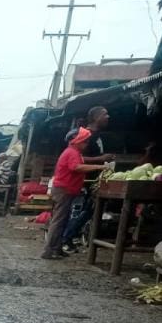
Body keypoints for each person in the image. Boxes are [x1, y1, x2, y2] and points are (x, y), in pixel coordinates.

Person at [43, 128, 106, 260]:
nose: (86, 143)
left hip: (66, 190)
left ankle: (57, 248)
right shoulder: (72, 152)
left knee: (63, 220)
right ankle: (49, 251)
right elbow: (76, 167)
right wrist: (100, 167)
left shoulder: (74, 152)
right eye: (84, 141)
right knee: (59, 220)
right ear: (77, 141)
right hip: (63, 190)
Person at [60, 106, 116, 253]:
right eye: (105, 114)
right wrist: (101, 159)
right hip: (83, 181)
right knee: (80, 211)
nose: (108, 117)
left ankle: (69, 238)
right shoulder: (85, 136)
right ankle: (66, 239)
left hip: (92, 179)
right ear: (96, 118)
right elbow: (77, 160)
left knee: (87, 211)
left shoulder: (97, 135)